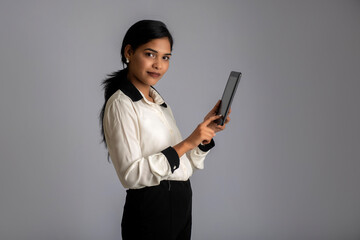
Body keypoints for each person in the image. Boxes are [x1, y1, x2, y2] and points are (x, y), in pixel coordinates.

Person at [99, 20, 231, 240]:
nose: (158, 65)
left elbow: (182, 166)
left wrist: (203, 137)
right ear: (129, 52)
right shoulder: (121, 104)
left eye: (165, 57)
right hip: (151, 208)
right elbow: (131, 176)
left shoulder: (159, 103)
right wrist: (188, 142)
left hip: (180, 203)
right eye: (150, 54)